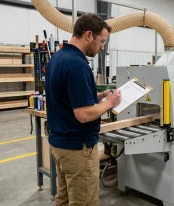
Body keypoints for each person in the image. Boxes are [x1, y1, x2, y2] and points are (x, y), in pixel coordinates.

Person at [45, 13, 121, 206]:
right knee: (83, 202)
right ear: (89, 35)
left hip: (60, 145)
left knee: (64, 199)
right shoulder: (77, 65)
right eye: (102, 41)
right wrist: (110, 103)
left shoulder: (58, 57)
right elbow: (84, 114)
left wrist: (100, 97)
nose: (102, 47)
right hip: (78, 148)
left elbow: (71, 99)